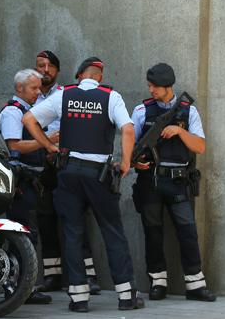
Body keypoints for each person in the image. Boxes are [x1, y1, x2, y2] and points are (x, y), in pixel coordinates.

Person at [23, 57, 144, 312]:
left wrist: (48, 146)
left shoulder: (64, 95)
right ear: (99, 76)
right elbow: (129, 130)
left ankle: (78, 299)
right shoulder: (111, 96)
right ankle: (126, 296)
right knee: (112, 231)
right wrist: (125, 162)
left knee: (72, 232)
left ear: (80, 75)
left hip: (68, 173)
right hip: (98, 175)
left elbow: (28, 120)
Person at [131, 63, 216, 302]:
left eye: (155, 86)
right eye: (149, 85)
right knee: (153, 233)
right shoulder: (141, 111)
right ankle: (157, 282)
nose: (151, 90)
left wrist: (179, 132)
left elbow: (200, 146)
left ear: (168, 86)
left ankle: (195, 284)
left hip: (178, 182)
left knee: (188, 232)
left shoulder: (189, 112)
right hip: (150, 182)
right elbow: (130, 146)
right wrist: (135, 163)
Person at [33, 50, 101, 294]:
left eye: (50, 66)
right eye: (40, 65)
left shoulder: (67, 95)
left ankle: (88, 276)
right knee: (46, 220)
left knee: (75, 220)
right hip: (42, 166)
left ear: (58, 71)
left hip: (66, 163)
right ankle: (53, 275)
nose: (45, 70)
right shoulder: (30, 98)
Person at [0, 69, 53, 305]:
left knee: (29, 235)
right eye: (34, 88)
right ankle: (17, 288)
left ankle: (23, 286)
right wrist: (48, 142)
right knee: (22, 235)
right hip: (20, 182)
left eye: (39, 87)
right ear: (19, 88)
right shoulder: (13, 112)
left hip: (32, 181)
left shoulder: (29, 112)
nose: (38, 92)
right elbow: (15, 146)